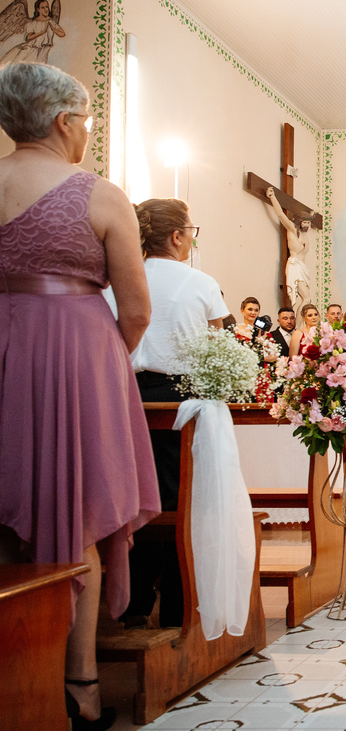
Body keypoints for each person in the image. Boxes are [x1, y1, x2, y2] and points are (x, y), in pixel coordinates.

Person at [0, 62, 159, 729]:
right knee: (77, 521)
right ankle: (79, 684)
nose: (89, 133)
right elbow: (137, 307)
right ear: (64, 121)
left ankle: (12, 675)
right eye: (87, 121)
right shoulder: (98, 193)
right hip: (76, 363)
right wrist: (98, 365)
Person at [118, 198, 228, 633]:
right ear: (177, 236)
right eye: (192, 231)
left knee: (135, 499)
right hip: (180, 399)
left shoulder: (118, 279)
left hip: (124, 397)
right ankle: (180, 609)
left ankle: (134, 605)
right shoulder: (199, 282)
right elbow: (219, 348)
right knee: (181, 500)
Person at [265, 186, 312, 310]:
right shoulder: (292, 229)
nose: (307, 225)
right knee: (305, 299)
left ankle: (302, 326)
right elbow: (281, 215)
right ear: (299, 221)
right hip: (295, 266)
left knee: (308, 299)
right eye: (304, 222)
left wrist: (312, 214)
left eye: (308, 223)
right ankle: (299, 327)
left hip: (302, 268)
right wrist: (272, 197)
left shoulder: (305, 234)